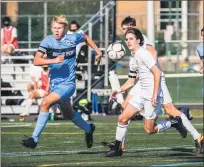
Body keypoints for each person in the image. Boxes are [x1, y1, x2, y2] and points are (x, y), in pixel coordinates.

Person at [104, 16, 203, 152]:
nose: (126, 34)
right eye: (124, 31)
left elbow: (153, 53)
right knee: (125, 108)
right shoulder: (134, 52)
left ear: (133, 28)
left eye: (128, 29)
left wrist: (149, 67)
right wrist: (122, 87)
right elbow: (132, 78)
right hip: (143, 81)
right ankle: (119, 144)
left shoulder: (142, 40)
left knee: (169, 110)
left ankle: (197, 136)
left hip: (154, 80)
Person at [20, 15, 102, 149]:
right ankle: (89, 129)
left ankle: (34, 139)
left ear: (64, 28)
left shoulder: (72, 38)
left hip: (68, 85)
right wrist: (53, 60)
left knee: (45, 102)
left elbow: (85, 37)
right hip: (55, 85)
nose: (56, 30)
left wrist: (98, 51)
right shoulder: (47, 41)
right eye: (54, 28)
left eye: (59, 28)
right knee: (68, 114)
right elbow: (36, 60)